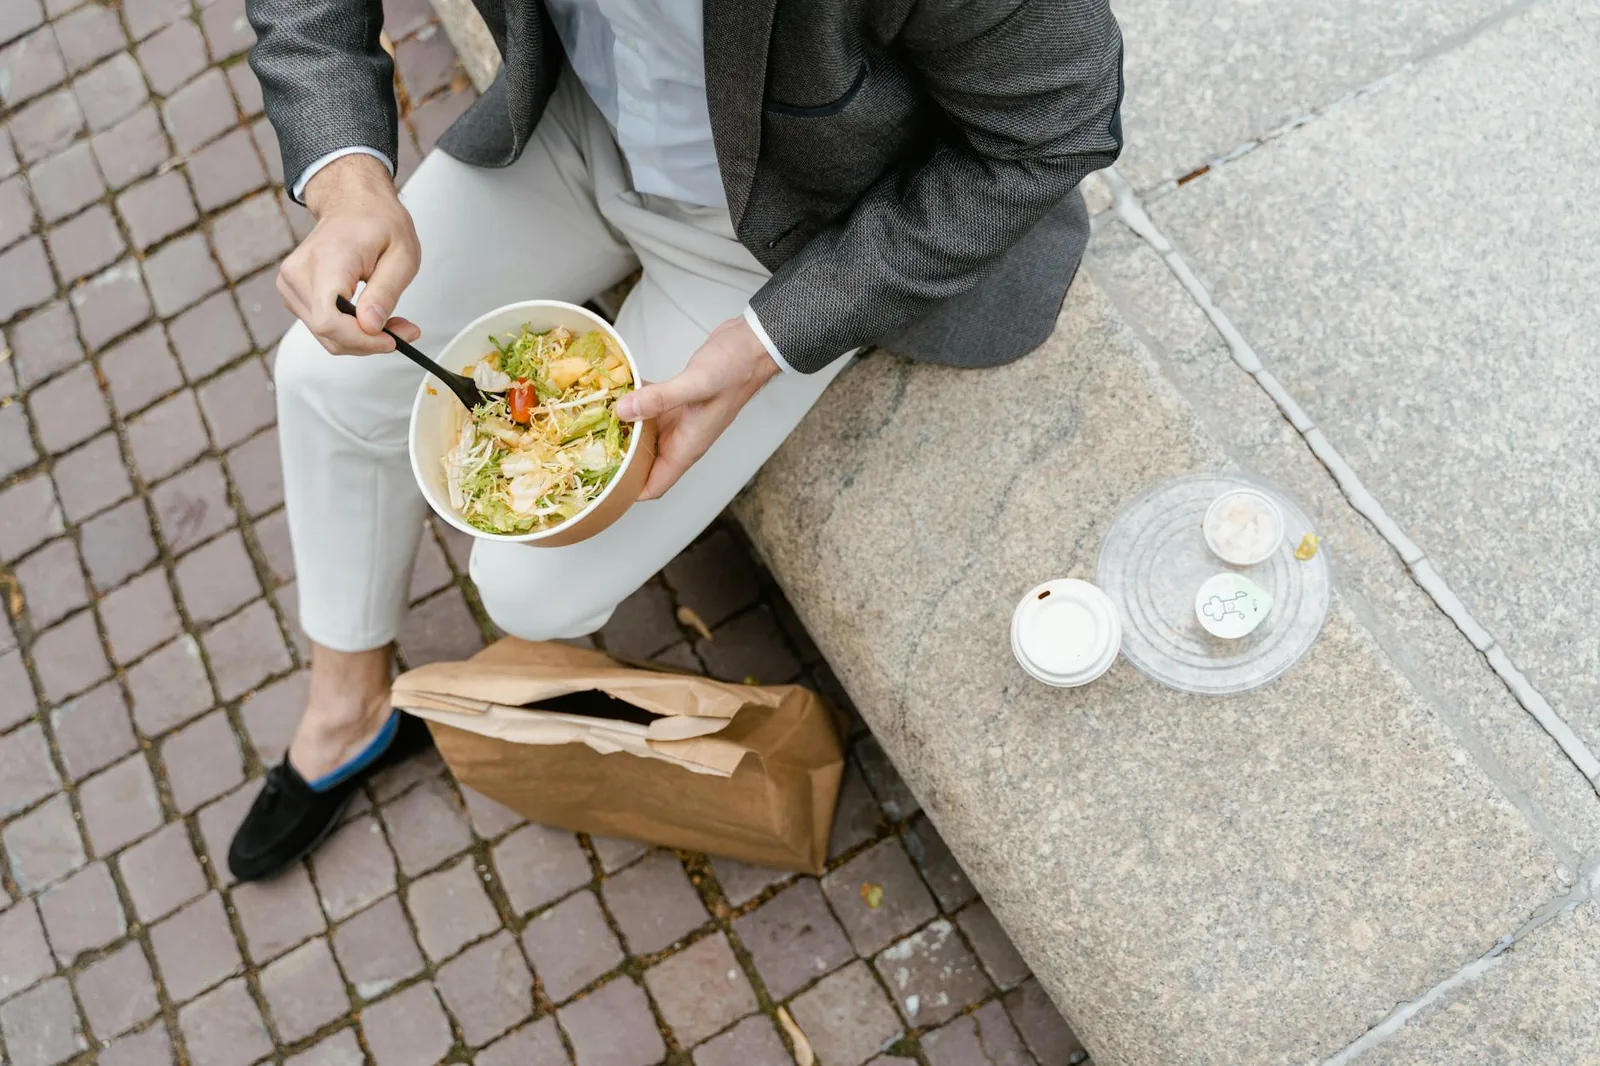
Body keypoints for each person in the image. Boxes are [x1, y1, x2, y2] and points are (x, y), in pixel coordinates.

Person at [228, 0, 1125, 882]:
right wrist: (348, 183)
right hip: (577, 118)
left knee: (529, 592)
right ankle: (348, 705)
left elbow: (1060, 123)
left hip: (796, 232)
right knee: (323, 373)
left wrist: (779, 336)